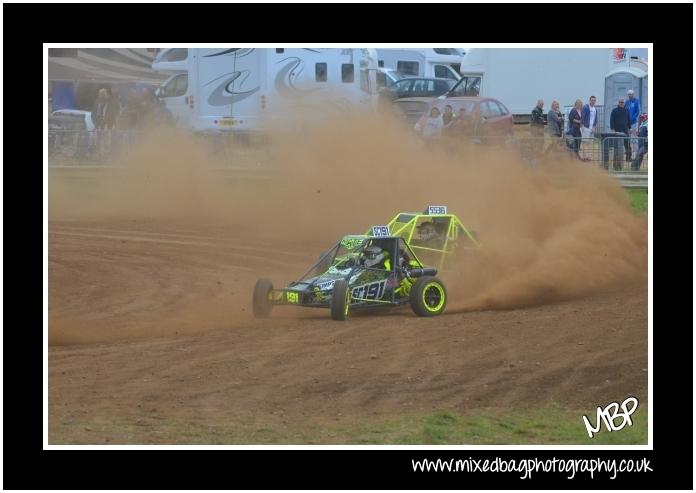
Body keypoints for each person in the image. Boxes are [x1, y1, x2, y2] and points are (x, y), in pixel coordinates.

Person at [609, 97, 631, 167]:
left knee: (627, 144)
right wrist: (612, 129)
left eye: (622, 102)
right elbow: (611, 120)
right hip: (617, 131)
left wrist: (629, 128)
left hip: (625, 130)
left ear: (624, 103)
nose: (621, 103)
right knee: (617, 146)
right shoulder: (614, 110)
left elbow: (628, 120)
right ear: (618, 103)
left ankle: (628, 157)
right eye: (620, 102)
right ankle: (617, 159)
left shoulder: (627, 110)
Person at [580, 95, 599, 161]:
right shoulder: (586, 107)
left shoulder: (595, 109)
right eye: (592, 100)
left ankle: (587, 156)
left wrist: (594, 127)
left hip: (591, 128)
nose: (593, 101)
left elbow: (596, 119)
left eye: (594, 100)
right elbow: (582, 116)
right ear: (589, 100)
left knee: (589, 143)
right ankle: (585, 157)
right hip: (585, 127)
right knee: (585, 142)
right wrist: (582, 126)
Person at [625, 89, 641, 157]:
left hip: (634, 122)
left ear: (633, 94)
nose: (630, 96)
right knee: (628, 137)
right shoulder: (627, 102)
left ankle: (636, 151)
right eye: (628, 94)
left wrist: (634, 118)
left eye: (631, 94)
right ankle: (629, 151)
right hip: (628, 123)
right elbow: (625, 110)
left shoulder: (636, 101)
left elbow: (638, 111)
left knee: (634, 137)